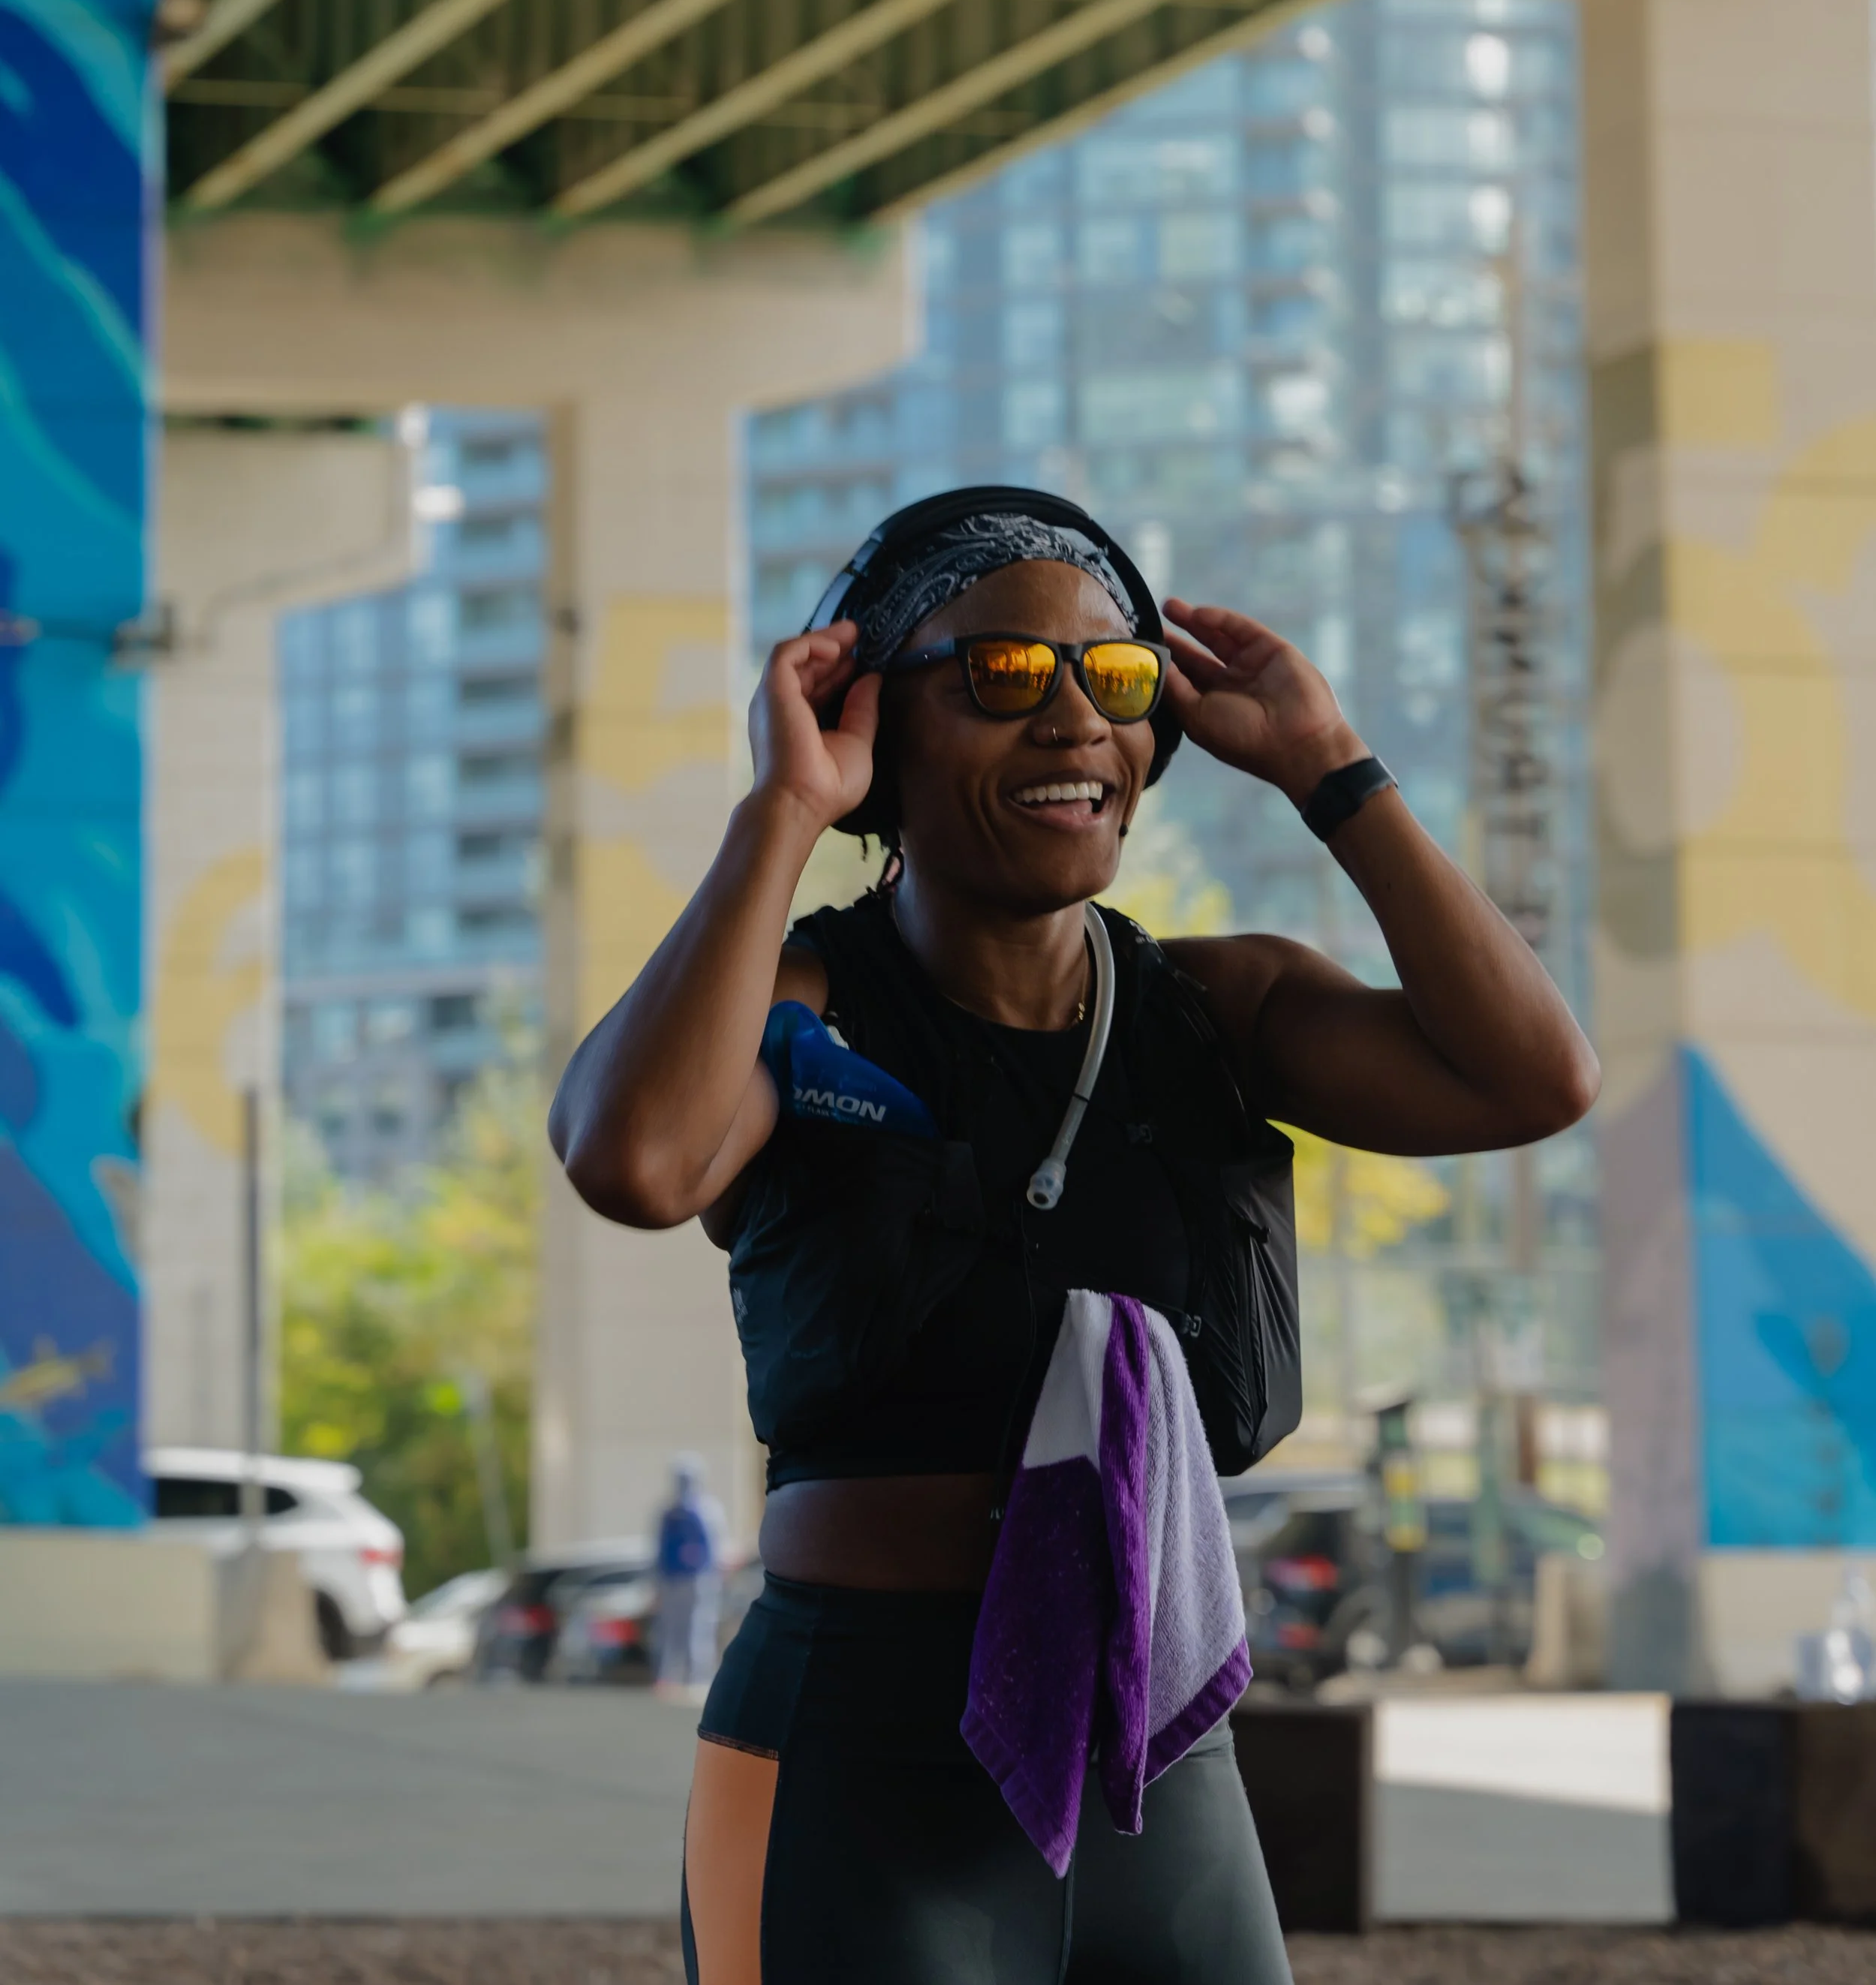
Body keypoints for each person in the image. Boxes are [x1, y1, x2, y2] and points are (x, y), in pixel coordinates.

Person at [549, 489, 1598, 1984]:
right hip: (855, 1751)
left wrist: (1329, 770)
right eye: (1000, 674)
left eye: (1112, 678)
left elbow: (1534, 1079)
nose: (1071, 720)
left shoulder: (1219, 1010)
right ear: (873, 725)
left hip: (1154, 1760)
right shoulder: (800, 1013)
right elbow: (636, 1161)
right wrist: (782, 814)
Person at [653, 1453, 726, 1701]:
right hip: (673, 1580)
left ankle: (698, 1678)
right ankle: (670, 1677)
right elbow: (659, 1549)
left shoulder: (707, 1510)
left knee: (699, 1628)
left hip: (699, 1579)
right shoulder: (668, 1511)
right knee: (672, 1630)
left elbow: (715, 1548)